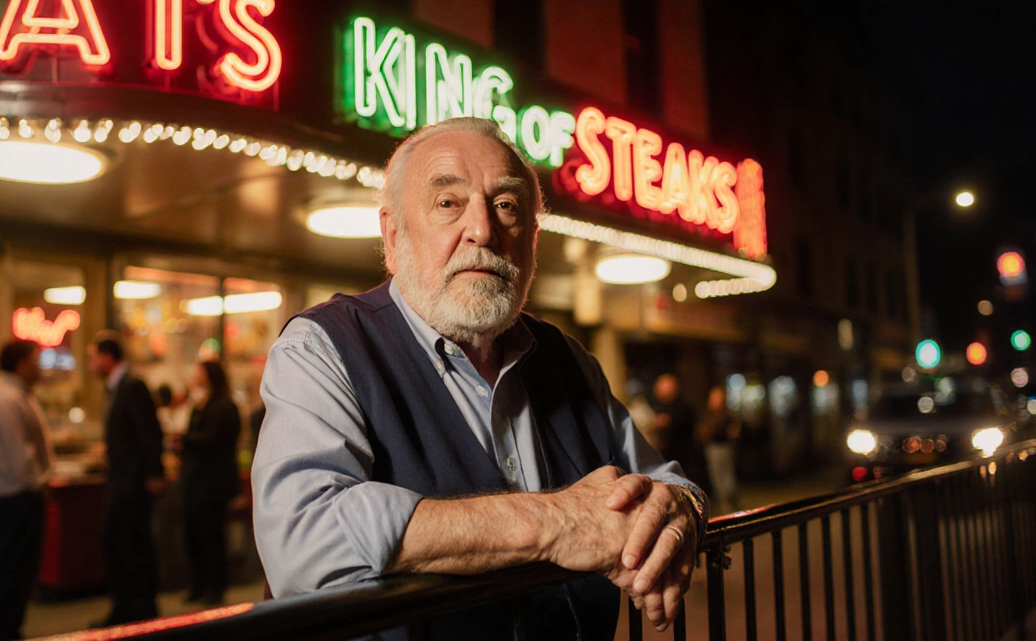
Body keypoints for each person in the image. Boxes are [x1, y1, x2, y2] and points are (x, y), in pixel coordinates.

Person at [253, 117, 707, 639]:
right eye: (448, 203)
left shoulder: (570, 362)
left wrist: (682, 511)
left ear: (532, 243)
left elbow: (668, 480)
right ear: (394, 236)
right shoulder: (321, 347)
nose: (484, 230)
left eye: (507, 206)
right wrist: (557, 525)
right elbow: (300, 539)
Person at [87, 331, 165, 626]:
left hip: (132, 484)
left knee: (128, 543)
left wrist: (154, 472)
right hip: (123, 480)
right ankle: (131, 607)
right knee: (123, 542)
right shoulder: (117, 387)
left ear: (108, 358)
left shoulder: (131, 386)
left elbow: (149, 431)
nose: (90, 364)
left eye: (93, 357)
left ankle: (137, 608)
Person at [0, 340, 55, 641]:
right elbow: (17, 455)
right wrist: (37, 483)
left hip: (19, 492)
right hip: (14, 495)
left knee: (20, 568)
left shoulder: (17, 395)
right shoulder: (6, 398)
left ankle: (10, 628)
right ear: (21, 365)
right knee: (14, 568)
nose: (41, 368)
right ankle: (5, 631)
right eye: (36, 362)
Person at [170, 361, 241, 605]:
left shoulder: (224, 407)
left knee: (212, 536)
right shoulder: (198, 405)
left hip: (212, 483)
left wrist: (185, 440)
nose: (195, 377)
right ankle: (197, 584)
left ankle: (215, 586)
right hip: (193, 480)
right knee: (193, 535)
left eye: (199, 373)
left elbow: (214, 440)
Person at [650, 374, 708, 492]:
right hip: (667, 456)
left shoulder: (683, 407)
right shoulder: (659, 406)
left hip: (683, 457)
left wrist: (669, 421)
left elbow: (687, 423)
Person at [698, 386, 740, 515]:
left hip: (724, 447)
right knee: (716, 475)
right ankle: (723, 502)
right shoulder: (708, 414)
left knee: (727, 475)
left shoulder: (727, 414)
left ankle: (730, 501)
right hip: (712, 447)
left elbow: (732, 430)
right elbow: (703, 430)